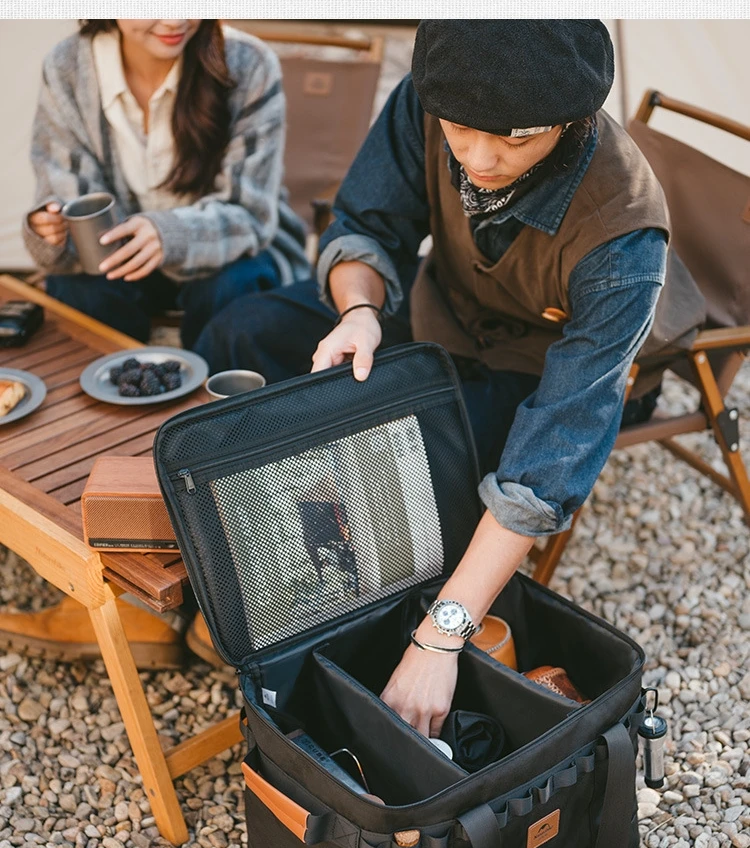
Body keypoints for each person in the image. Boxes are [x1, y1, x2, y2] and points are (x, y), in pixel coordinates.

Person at [188, 19, 704, 736]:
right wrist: (360, 311)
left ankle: (340, 613)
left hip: (541, 370)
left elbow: (543, 468)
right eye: (460, 130)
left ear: (572, 119)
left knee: (424, 477)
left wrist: (441, 637)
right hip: (443, 311)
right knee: (241, 332)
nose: (481, 158)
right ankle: (243, 564)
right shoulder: (433, 96)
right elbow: (368, 224)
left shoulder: (624, 241)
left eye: (516, 138)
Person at [23, 19, 309, 348]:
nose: (175, 20)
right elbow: (68, 195)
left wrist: (170, 235)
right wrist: (52, 230)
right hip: (123, 258)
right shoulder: (68, 66)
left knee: (230, 284)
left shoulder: (248, 63)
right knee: (77, 287)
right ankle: (116, 375)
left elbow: (249, 213)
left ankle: (213, 380)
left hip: (229, 252)